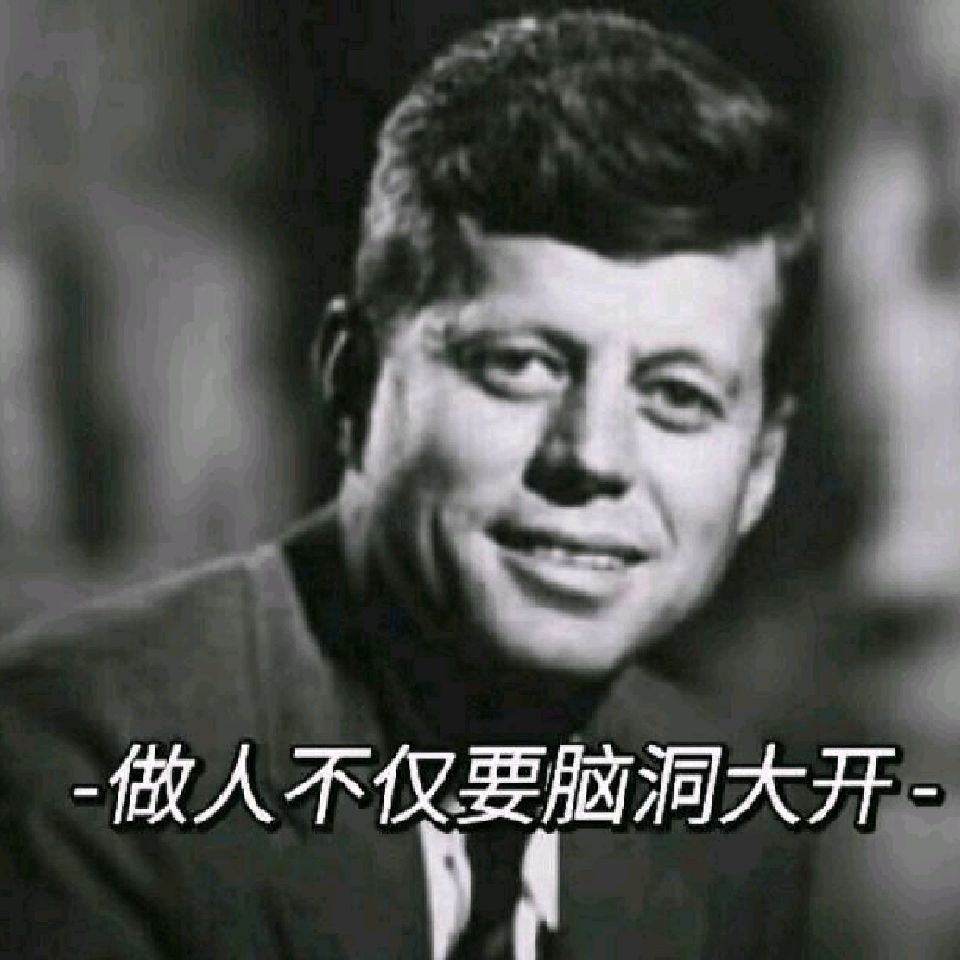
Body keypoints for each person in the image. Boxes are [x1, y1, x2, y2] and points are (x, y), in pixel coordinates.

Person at [0, 10, 813, 958]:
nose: (593, 455)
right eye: (521, 365)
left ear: (761, 468)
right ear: (351, 380)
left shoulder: (732, 827)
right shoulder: (80, 763)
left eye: (676, 396)